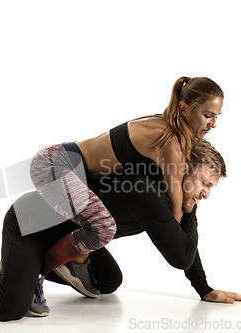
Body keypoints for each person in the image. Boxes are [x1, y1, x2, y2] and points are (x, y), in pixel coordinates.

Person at [0, 139, 241, 322]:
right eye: (204, 183)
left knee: (108, 282)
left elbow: (181, 241)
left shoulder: (170, 197)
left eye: (211, 188)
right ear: (181, 169)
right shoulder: (148, 191)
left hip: (75, 233)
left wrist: (204, 288)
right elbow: (180, 253)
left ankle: (34, 268)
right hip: (30, 225)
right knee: (9, 306)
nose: (205, 194)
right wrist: (191, 211)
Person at [26, 77, 224, 306]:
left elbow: (174, 228)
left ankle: (64, 260)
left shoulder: (169, 128)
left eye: (217, 117)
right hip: (55, 166)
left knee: (103, 249)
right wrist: (189, 205)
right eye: (208, 115)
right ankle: (33, 274)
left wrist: (203, 288)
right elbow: (175, 221)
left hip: (69, 168)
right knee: (102, 226)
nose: (214, 124)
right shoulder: (171, 143)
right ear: (183, 107)